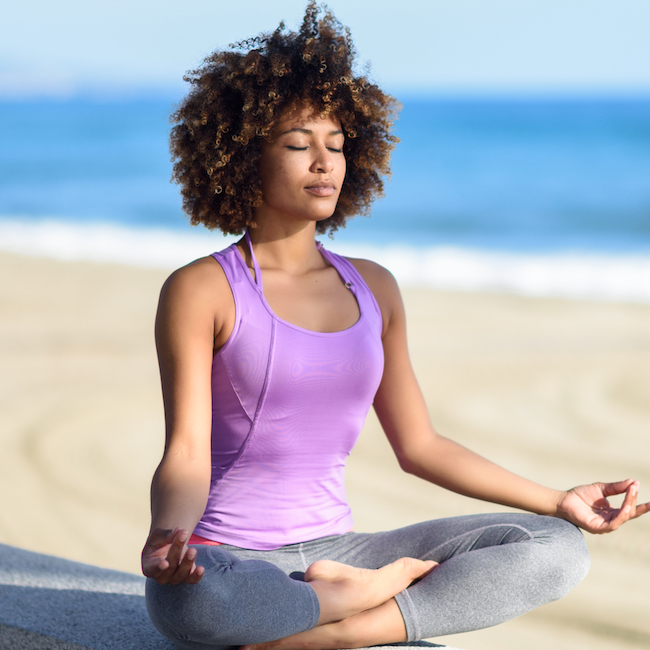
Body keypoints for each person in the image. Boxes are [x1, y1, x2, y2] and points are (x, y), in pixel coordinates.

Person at [142, 4, 649, 649]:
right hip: (233, 555)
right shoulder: (202, 288)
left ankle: (337, 625)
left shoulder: (373, 288)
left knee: (555, 549)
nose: (325, 161)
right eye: (299, 145)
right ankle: (342, 600)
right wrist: (170, 538)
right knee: (190, 605)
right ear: (244, 158)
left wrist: (559, 500)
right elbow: (186, 451)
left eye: (338, 145)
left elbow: (421, 446)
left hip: (343, 547)